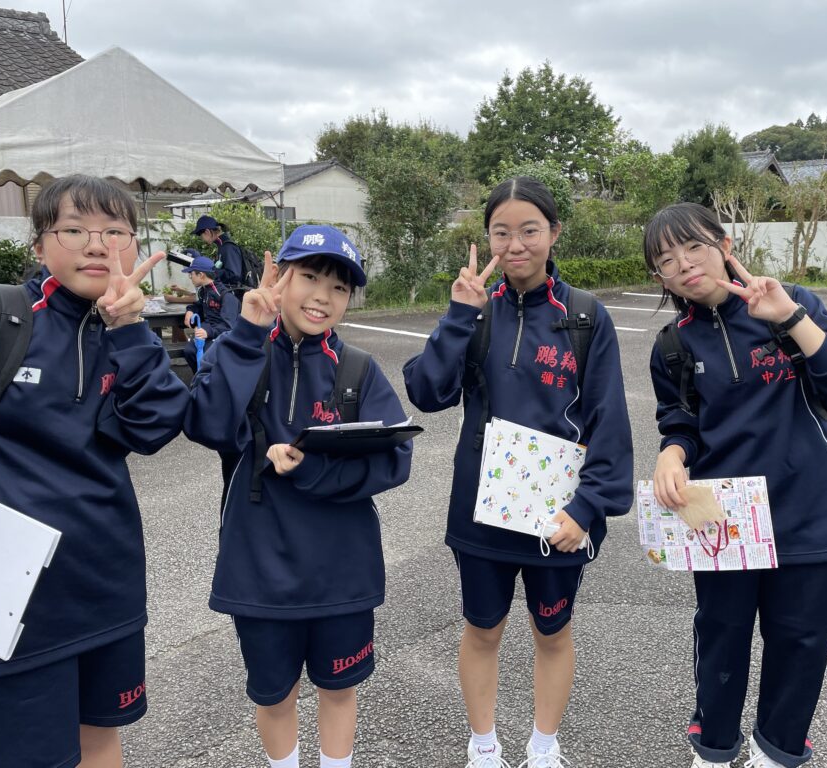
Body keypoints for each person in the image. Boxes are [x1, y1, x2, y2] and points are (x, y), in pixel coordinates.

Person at [0, 174, 189, 768]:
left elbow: (156, 427)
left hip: (103, 584)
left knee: (100, 738)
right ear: (39, 245)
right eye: (75, 230)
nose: (97, 245)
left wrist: (131, 331)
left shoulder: (124, 332)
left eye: (116, 232)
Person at [403, 176, 633, 768]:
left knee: (553, 632)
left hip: (558, 515)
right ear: (487, 238)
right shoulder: (476, 313)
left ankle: (544, 745)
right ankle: (483, 745)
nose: (515, 244)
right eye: (501, 232)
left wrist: (587, 509)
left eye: (529, 230)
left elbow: (608, 418)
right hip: (482, 511)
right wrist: (458, 315)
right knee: (482, 630)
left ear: (554, 233)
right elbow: (427, 392)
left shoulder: (584, 317)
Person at [645, 203, 827, 768]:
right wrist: (672, 454)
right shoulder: (673, 344)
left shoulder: (791, 303)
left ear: (724, 246)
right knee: (720, 636)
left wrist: (792, 318)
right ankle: (714, 749)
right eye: (667, 260)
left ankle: (776, 752)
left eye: (694, 247)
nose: (684, 264)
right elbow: (682, 422)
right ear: (661, 278)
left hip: (810, 511)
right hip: (725, 522)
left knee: (801, 643)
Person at [184, 225, 412, 768]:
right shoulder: (239, 350)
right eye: (309, 277)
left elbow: (395, 459)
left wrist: (313, 469)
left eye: (339, 287)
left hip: (343, 570)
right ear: (279, 277)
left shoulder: (358, 369)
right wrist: (247, 332)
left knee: (339, 689)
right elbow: (206, 425)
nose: (322, 296)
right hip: (258, 567)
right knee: (274, 696)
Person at [180, 252, 239, 373]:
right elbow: (199, 306)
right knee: (189, 351)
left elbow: (229, 326)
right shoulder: (204, 291)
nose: (190, 277)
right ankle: (199, 379)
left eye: (191, 274)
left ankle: (210, 380)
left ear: (201, 275)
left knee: (206, 356)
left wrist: (208, 332)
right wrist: (190, 311)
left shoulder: (226, 295)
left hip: (220, 335)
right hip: (207, 332)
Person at [194, 214, 244, 287]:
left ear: (207, 232)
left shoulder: (228, 247)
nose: (203, 240)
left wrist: (211, 271)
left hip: (234, 293)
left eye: (201, 236)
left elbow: (234, 275)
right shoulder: (221, 246)